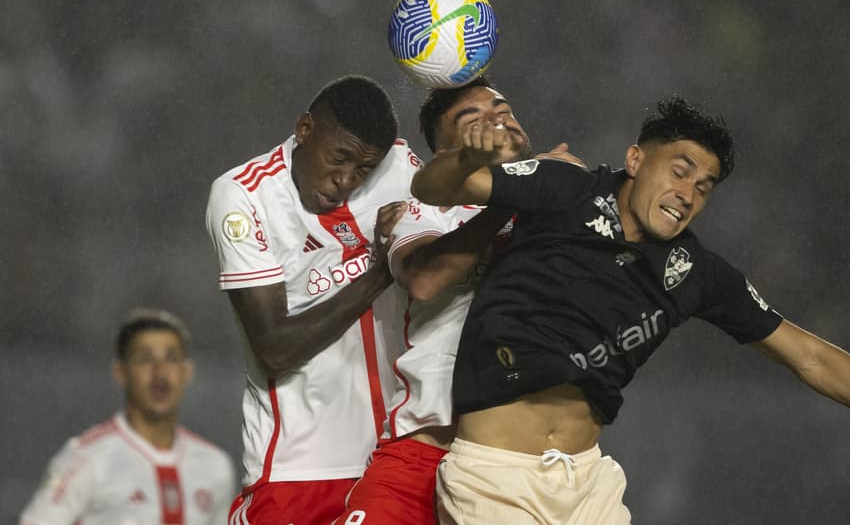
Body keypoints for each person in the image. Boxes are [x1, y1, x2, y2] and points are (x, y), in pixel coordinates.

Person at [411, 97, 850, 524]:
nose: (686, 195)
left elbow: (810, 357)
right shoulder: (565, 188)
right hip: (495, 478)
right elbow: (431, 188)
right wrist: (467, 157)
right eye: (679, 172)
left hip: (587, 485)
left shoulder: (695, 272)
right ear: (636, 161)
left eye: (703, 188)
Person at [335, 76, 586, 525]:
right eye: (474, 121)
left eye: (504, 112)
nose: (496, 123)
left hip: (520, 469)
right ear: (443, 153)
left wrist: (559, 190)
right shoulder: (421, 208)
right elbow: (426, 279)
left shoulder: (561, 207)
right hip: (423, 454)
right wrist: (510, 202)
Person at [205, 75, 420, 524]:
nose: (344, 181)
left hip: (396, 460)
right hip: (296, 468)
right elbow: (274, 348)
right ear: (304, 130)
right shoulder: (244, 196)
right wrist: (380, 271)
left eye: (362, 169)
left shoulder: (400, 169)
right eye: (338, 159)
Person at [19, 308, 236, 525]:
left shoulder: (216, 466)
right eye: (145, 359)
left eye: (171, 358)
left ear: (187, 372)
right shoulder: (84, 459)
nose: (160, 372)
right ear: (120, 372)